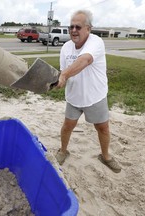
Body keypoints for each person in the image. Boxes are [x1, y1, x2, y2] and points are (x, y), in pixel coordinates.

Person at [55, 9, 121, 173]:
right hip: (74, 97)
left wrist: (64, 75)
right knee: (67, 126)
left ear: (88, 29)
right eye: (71, 27)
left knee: (103, 128)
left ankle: (105, 156)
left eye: (78, 27)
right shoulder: (65, 48)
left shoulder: (96, 42)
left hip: (95, 96)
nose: (73, 30)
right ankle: (63, 151)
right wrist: (59, 80)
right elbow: (64, 72)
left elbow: (85, 59)